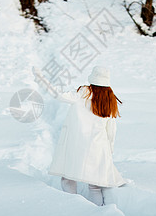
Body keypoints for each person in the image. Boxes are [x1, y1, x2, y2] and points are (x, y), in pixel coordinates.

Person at [33, 66, 125, 206]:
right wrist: (109, 150)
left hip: (77, 146)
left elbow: (58, 95)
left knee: (67, 179)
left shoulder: (84, 93)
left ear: (93, 79)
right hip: (99, 148)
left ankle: (73, 208)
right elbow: (111, 130)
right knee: (94, 187)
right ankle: (98, 212)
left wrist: (40, 78)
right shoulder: (109, 99)